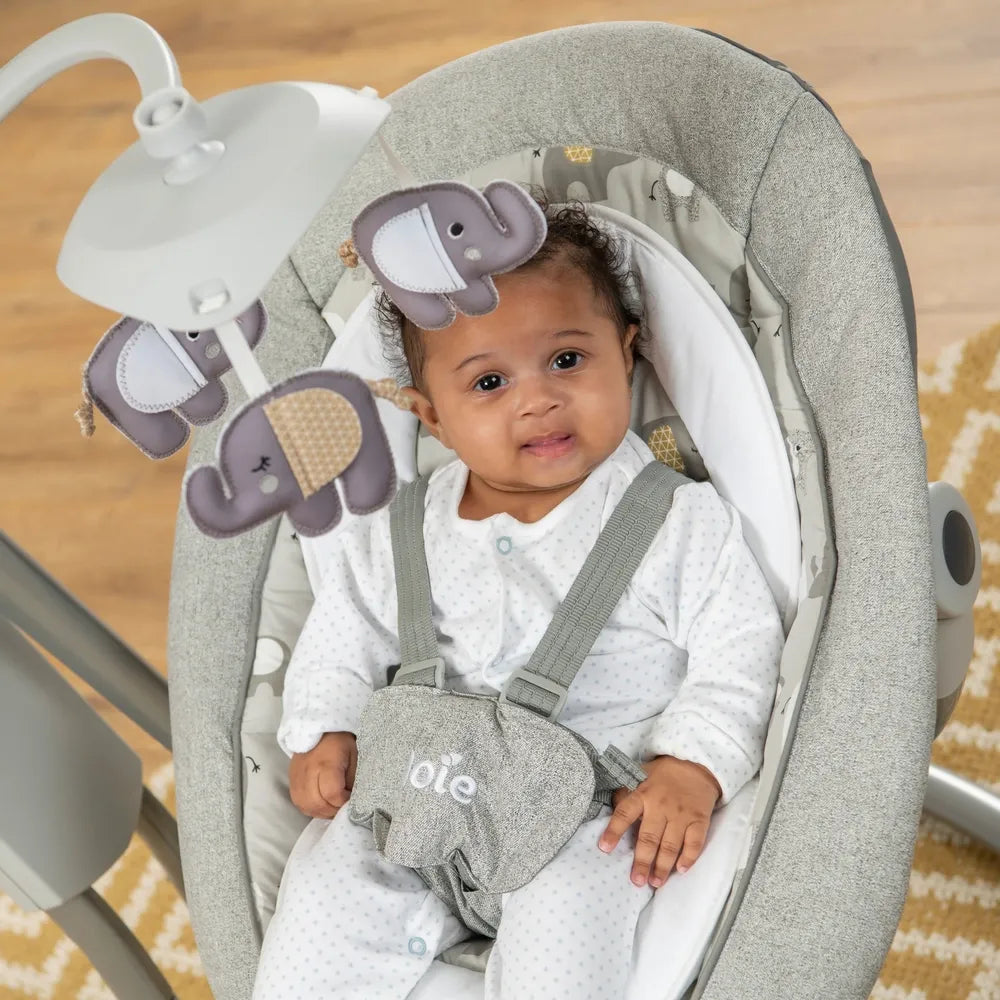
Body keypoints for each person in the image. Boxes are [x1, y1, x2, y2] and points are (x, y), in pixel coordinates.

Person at [253, 202, 783, 1000]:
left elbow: (741, 644)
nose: (537, 400)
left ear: (627, 353)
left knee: (570, 928)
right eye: (490, 383)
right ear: (432, 416)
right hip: (411, 798)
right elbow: (343, 628)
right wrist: (324, 725)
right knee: (328, 890)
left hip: (584, 819)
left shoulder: (673, 519)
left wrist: (691, 765)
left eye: (567, 360)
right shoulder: (405, 528)